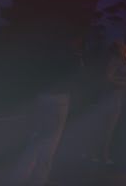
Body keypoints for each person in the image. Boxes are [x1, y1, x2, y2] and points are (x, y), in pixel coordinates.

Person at [11, 34, 83, 185]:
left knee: (35, 136)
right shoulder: (73, 57)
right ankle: (39, 179)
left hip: (42, 97)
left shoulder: (46, 55)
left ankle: (21, 175)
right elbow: (78, 78)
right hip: (60, 99)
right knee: (51, 142)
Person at [97, 41, 126, 165]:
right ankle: (102, 156)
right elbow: (109, 77)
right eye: (124, 46)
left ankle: (101, 154)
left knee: (109, 127)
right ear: (119, 49)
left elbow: (122, 76)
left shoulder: (123, 60)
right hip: (112, 96)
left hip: (118, 96)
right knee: (108, 127)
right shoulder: (116, 60)